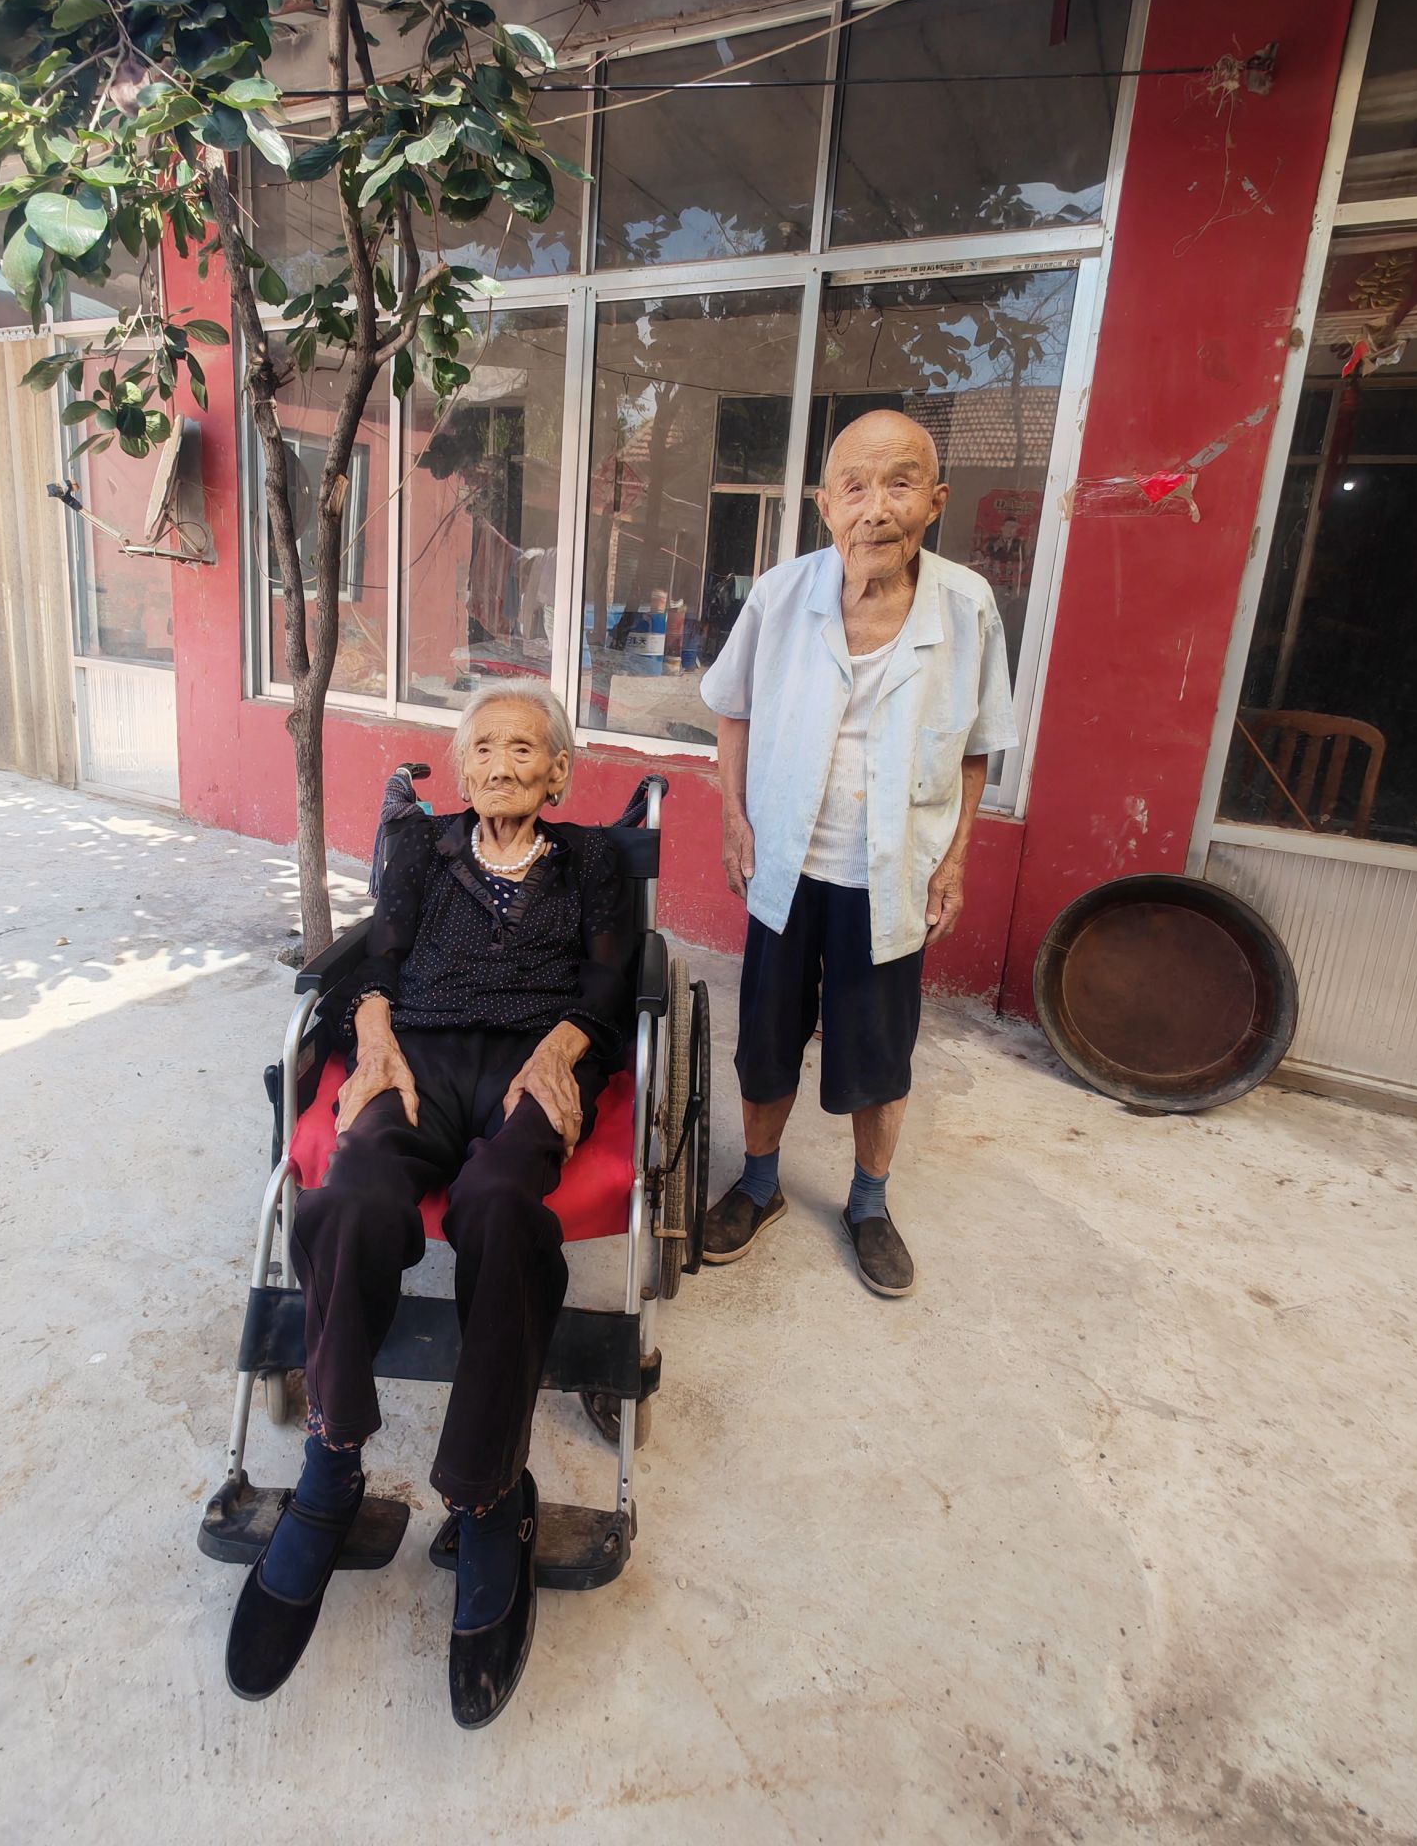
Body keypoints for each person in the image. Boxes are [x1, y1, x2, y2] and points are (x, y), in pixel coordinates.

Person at [226, 679, 632, 1726]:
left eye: (524, 749)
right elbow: (380, 959)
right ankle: (332, 1467)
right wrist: (372, 1036)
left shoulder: (595, 861)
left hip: (535, 1064)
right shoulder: (422, 848)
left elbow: (611, 983)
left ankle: (489, 1495)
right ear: (460, 769)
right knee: (353, 1194)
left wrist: (565, 1050)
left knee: (501, 1205)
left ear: (559, 772)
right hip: (416, 1056)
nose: (501, 763)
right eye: (483, 747)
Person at [698, 410, 1017, 1297]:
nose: (877, 508)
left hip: (892, 873)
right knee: (766, 1038)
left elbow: (977, 746)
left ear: (936, 501)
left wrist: (955, 861)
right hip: (786, 864)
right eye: (856, 487)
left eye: (900, 484)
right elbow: (733, 710)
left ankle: (869, 1203)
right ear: (825, 505)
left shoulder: (967, 606)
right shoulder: (780, 595)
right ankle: (759, 1185)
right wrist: (734, 819)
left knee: (879, 1051)